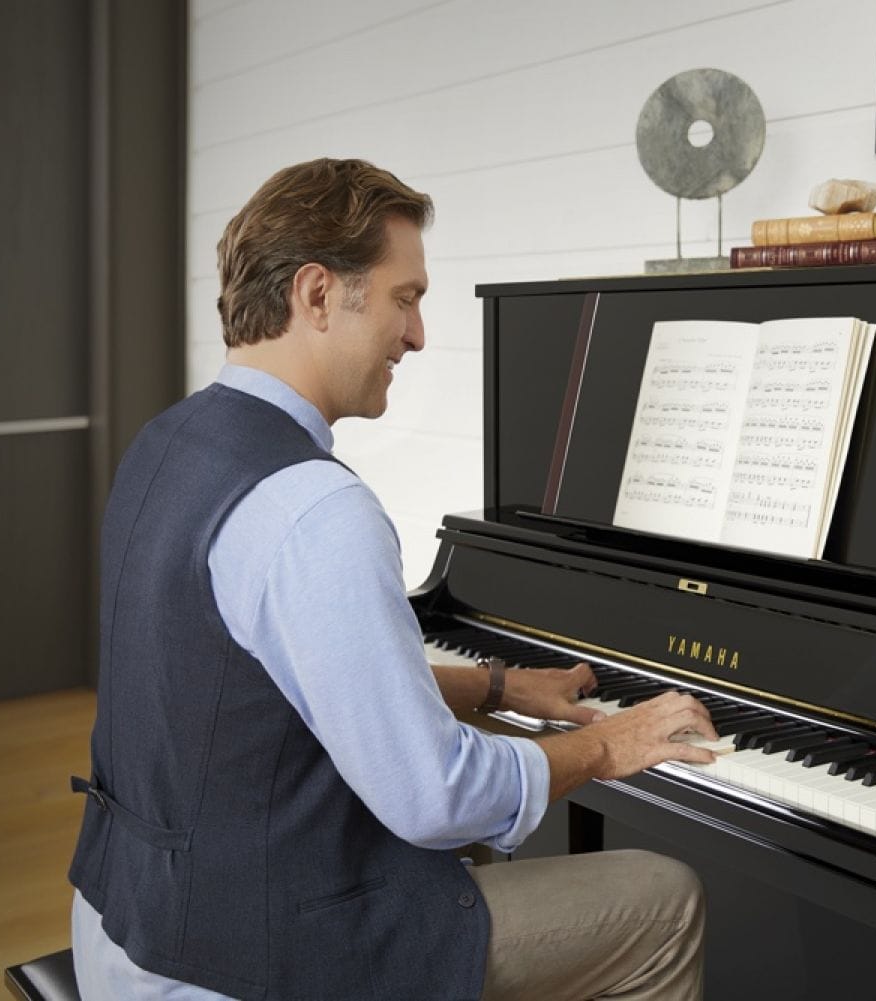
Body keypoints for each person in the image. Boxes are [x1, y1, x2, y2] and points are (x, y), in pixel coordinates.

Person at [67, 157, 720, 1001]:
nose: (415, 335)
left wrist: (495, 683)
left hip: (127, 920)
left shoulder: (168, 443)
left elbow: (258, 689)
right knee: (663, 900)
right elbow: (432, 795)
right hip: (233, 969)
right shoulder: (313, 508)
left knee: (461, 856)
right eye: (404, 298)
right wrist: (605, 745)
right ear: (315, 294)